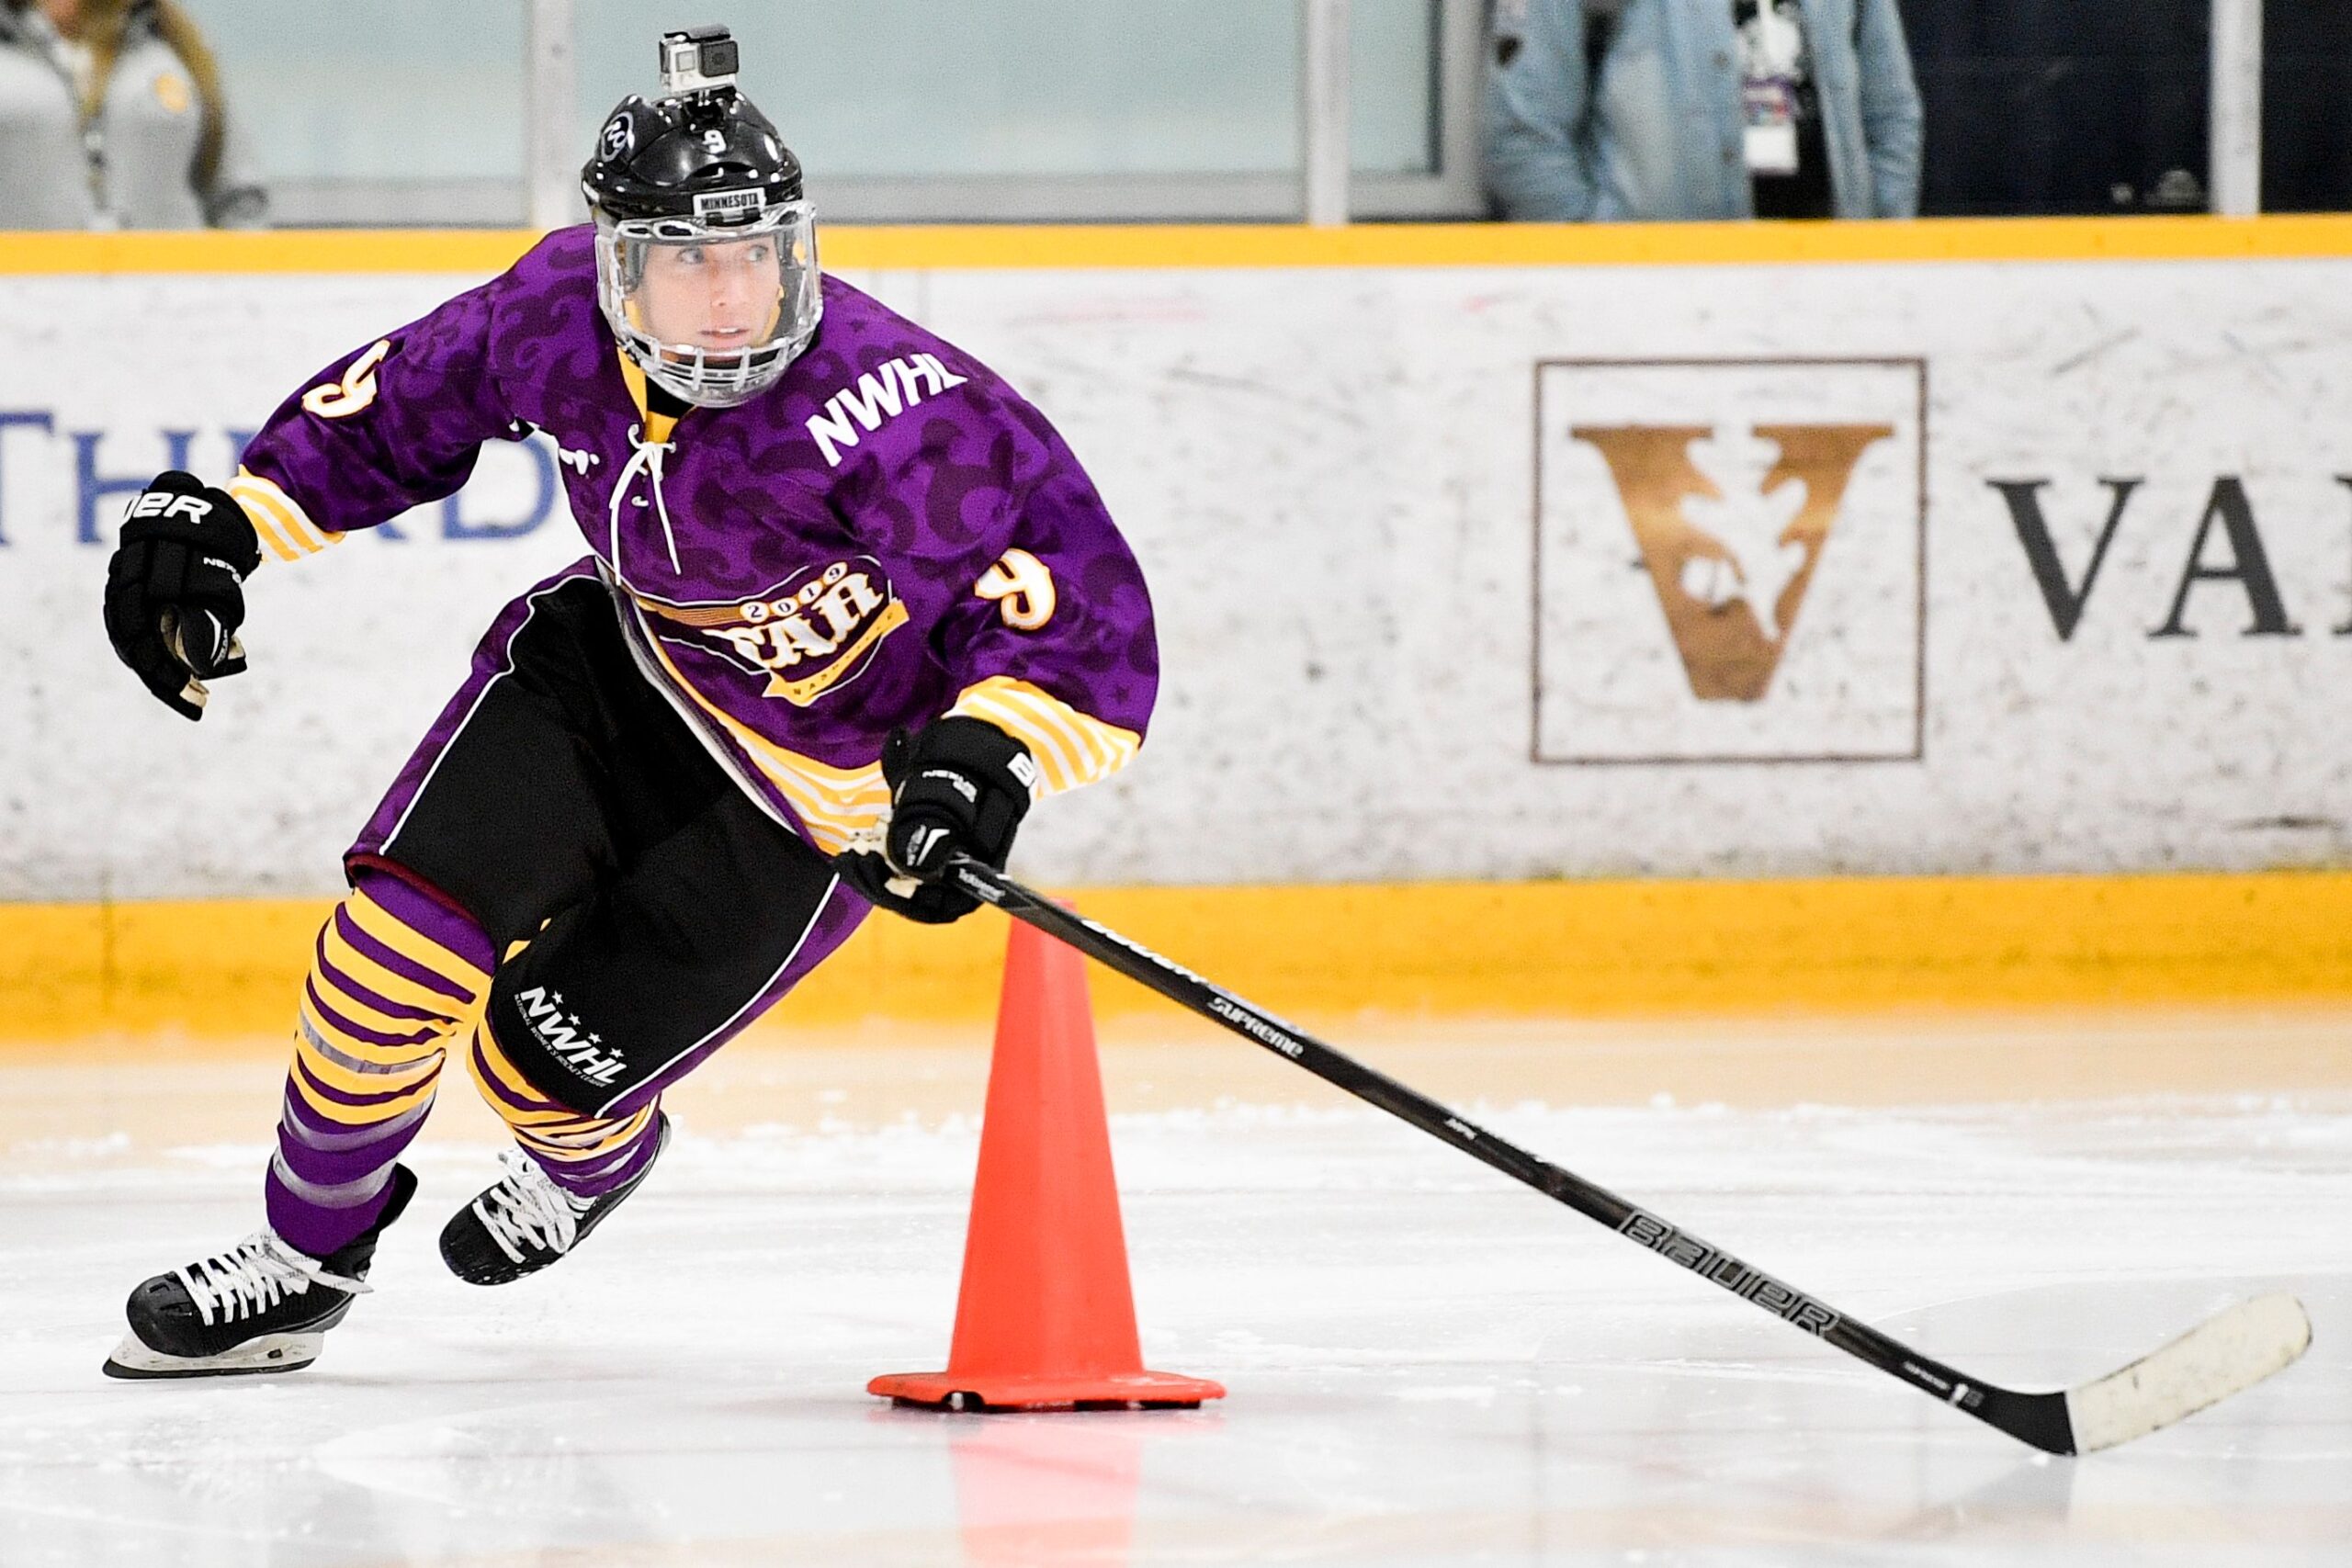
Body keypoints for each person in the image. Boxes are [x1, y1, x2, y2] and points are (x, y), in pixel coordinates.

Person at [96, 25, 1155, 1378]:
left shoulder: (901, 410)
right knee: (383, 959)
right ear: (616, 264)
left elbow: (1082, 610)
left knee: (538, 1071)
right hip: (621, 672)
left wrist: (979, 758)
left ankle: (600, 1155)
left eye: (756, 257)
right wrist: (230, 521)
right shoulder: (552, 318)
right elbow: (397, 409)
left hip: (808, 801)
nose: (730, 302)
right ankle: (305, 1259)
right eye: (687, 262)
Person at [1483, 0, 1921, 222]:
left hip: (1834, 295)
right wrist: (1603, 264)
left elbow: (1891, 113)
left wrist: (1876, 247)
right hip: (1653, 307)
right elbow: (1523, 134)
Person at [0, 0, 265, 229]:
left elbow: (239, 199)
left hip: (169, 281)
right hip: (24, 281)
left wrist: (235, 282)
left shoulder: (174, 47)